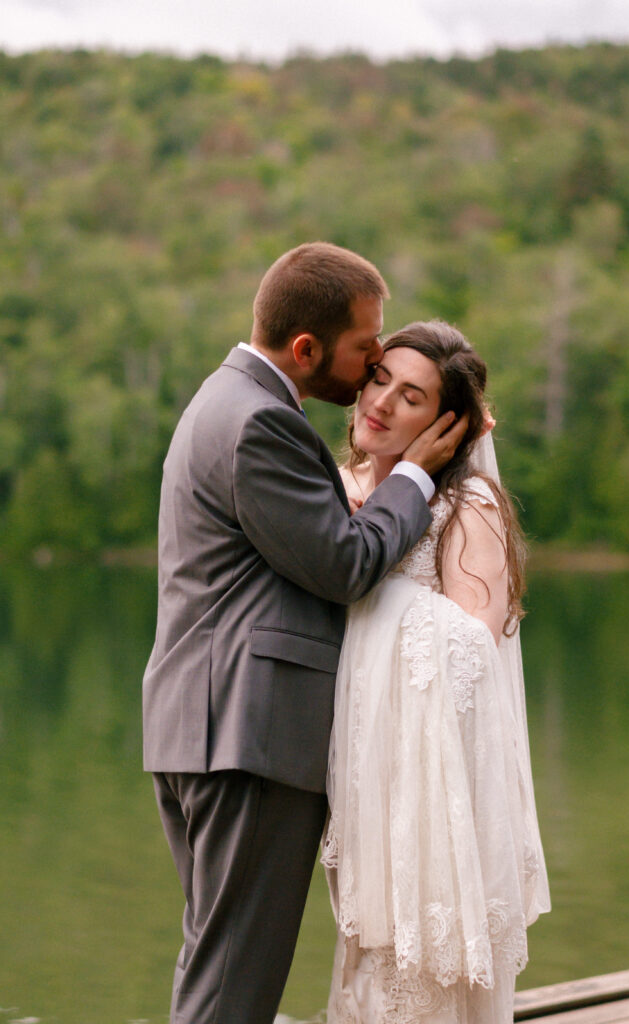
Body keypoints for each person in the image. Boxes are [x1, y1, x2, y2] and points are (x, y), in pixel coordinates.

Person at [142, 244, 469, 1024]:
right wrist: (413, 480)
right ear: (305, 349)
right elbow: (345, 562)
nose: (370, 369)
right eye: (365, 349)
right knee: (233, 987)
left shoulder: (222, 402)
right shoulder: (260, 423)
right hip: (248, 735)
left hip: (206, 727)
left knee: (217, 965)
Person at [322, 321, 551, 1023]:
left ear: (447, 427)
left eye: (411, 397)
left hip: (425, 790)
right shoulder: (335, 489)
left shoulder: (464, 507)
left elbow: (469, 653)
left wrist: (372, 585)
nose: (381, 402)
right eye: (379, 379)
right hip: (358, 779)